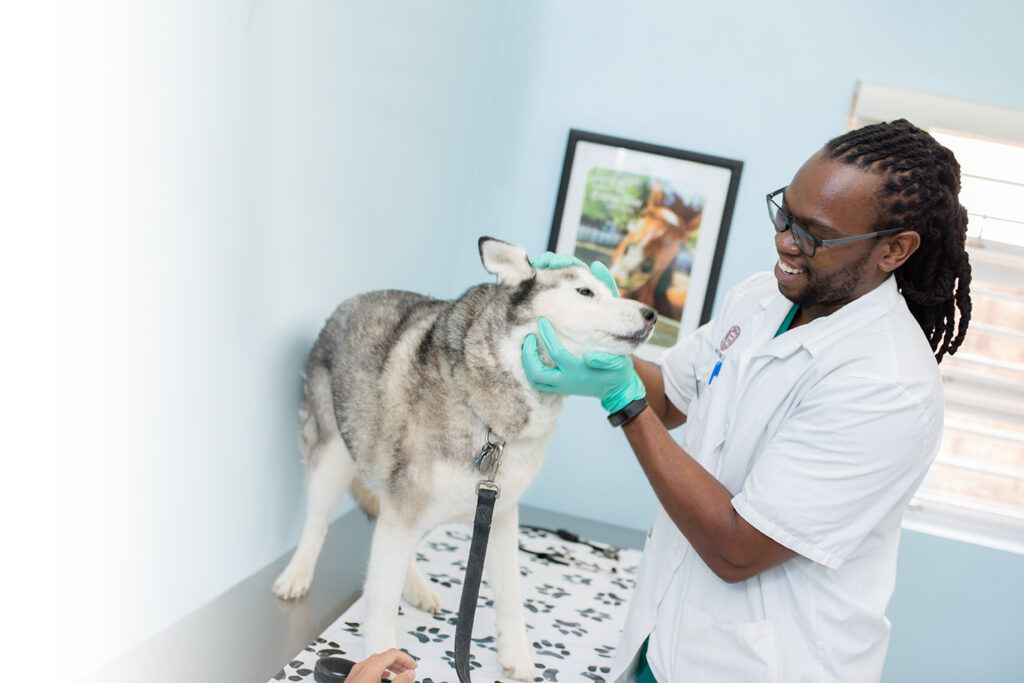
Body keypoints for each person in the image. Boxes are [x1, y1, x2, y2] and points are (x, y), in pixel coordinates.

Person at [520, 119, 972, 682]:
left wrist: (622, 400)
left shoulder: (889, 386)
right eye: (785, 213)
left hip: (764, 663)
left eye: (814, 234)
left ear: (895, 250)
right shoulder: (761, 297)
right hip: (665, 637)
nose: (785, 241)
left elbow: (738, 548)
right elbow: (668, 399)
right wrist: (583, 325)